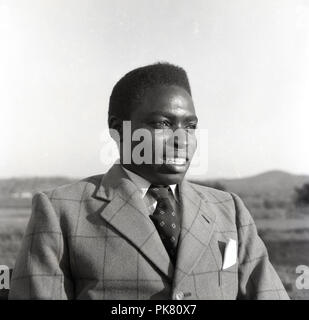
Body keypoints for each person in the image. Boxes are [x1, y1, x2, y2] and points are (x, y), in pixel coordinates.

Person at [9, 62, 289, 300]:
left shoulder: (229, 209)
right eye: (162, 124)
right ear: (118, 129)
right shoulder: (60, 212)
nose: (182, 140)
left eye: (190, 126)